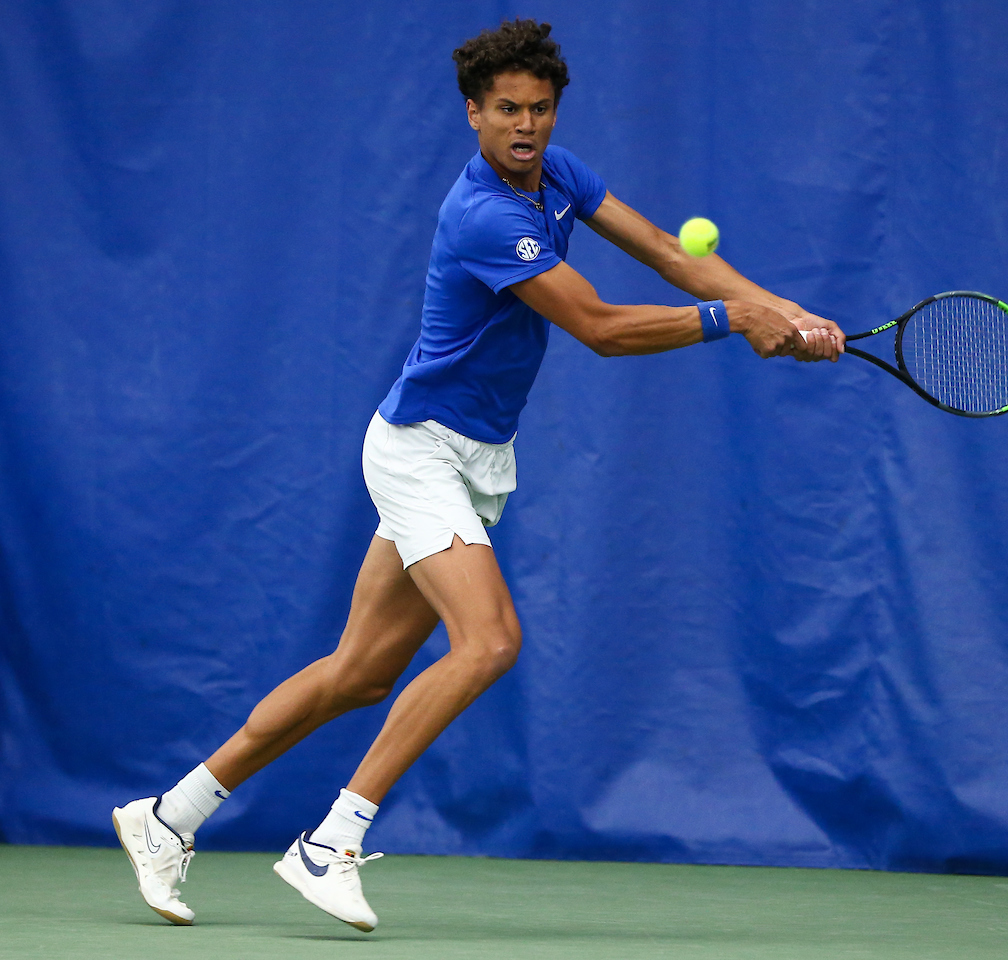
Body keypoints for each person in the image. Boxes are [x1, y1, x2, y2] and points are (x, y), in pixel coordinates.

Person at [111, 19, 846, 933]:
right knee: (490, 641)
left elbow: (663, 245)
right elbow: (601, 328)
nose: (525, 126)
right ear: (473, 114)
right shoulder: (485, 215)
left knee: (357, 674)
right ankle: (329, 843)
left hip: (476, 457)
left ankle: (166, 816)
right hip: (420, 448)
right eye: (506, 111)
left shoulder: (559, 175)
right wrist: (732, 320)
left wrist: (782, 307)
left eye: (538, 109)